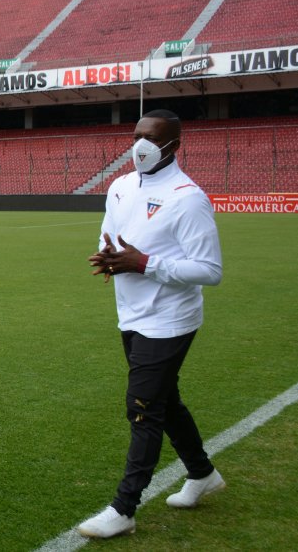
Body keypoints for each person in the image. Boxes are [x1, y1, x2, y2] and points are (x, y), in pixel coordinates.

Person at [77, 109, 225, 539]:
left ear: (173, 146)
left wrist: (146, 264)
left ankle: (124, 508)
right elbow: (109, 236)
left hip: (171, 318)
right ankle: (202, 473)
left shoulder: (187, 197)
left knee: (142, 409)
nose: (140, 144)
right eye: (137, 134)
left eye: (152, 138)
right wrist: (108, 259)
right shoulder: (121, 186)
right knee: (166, 400)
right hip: (132, 312)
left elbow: (210, 270)